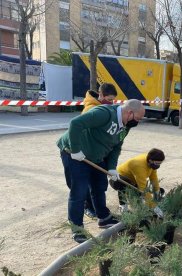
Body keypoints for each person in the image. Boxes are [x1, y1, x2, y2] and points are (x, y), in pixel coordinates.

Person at [57, 99, 145, 243]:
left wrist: (111, 167)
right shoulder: (103, 114)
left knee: (99, 186)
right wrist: (76, 149)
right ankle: (77, 229)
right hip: (75, 154)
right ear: (129, 113)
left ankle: (104, 218)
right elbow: (75, 123)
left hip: (96, 156)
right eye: (138, 118)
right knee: (79, 191)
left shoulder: (125, 125)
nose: (138, 122)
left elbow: (116, 147)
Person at [80, 83, 118, 219]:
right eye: (108, 99)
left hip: (99, 153)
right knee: (90, 183)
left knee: (99, 184)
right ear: (101, 95)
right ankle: (88, 207)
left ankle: (98, 208)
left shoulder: (104, 108)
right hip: (87, 153)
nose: (111, 102)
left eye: (113, 100)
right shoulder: (91, 109)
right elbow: (80, 128)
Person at [109, 148, 165, 218]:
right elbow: (143, 189)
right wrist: (154, 207)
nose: (158, 165)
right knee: (124, 184)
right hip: (116, 179)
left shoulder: (151, 164)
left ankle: (138, 206)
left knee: (138, 194)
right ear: (150, 160)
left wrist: (157, 195)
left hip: (132, 180)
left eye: (160, 163)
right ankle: (123, 207)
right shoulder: (139, 166)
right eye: (157, 163)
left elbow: (154, 180)